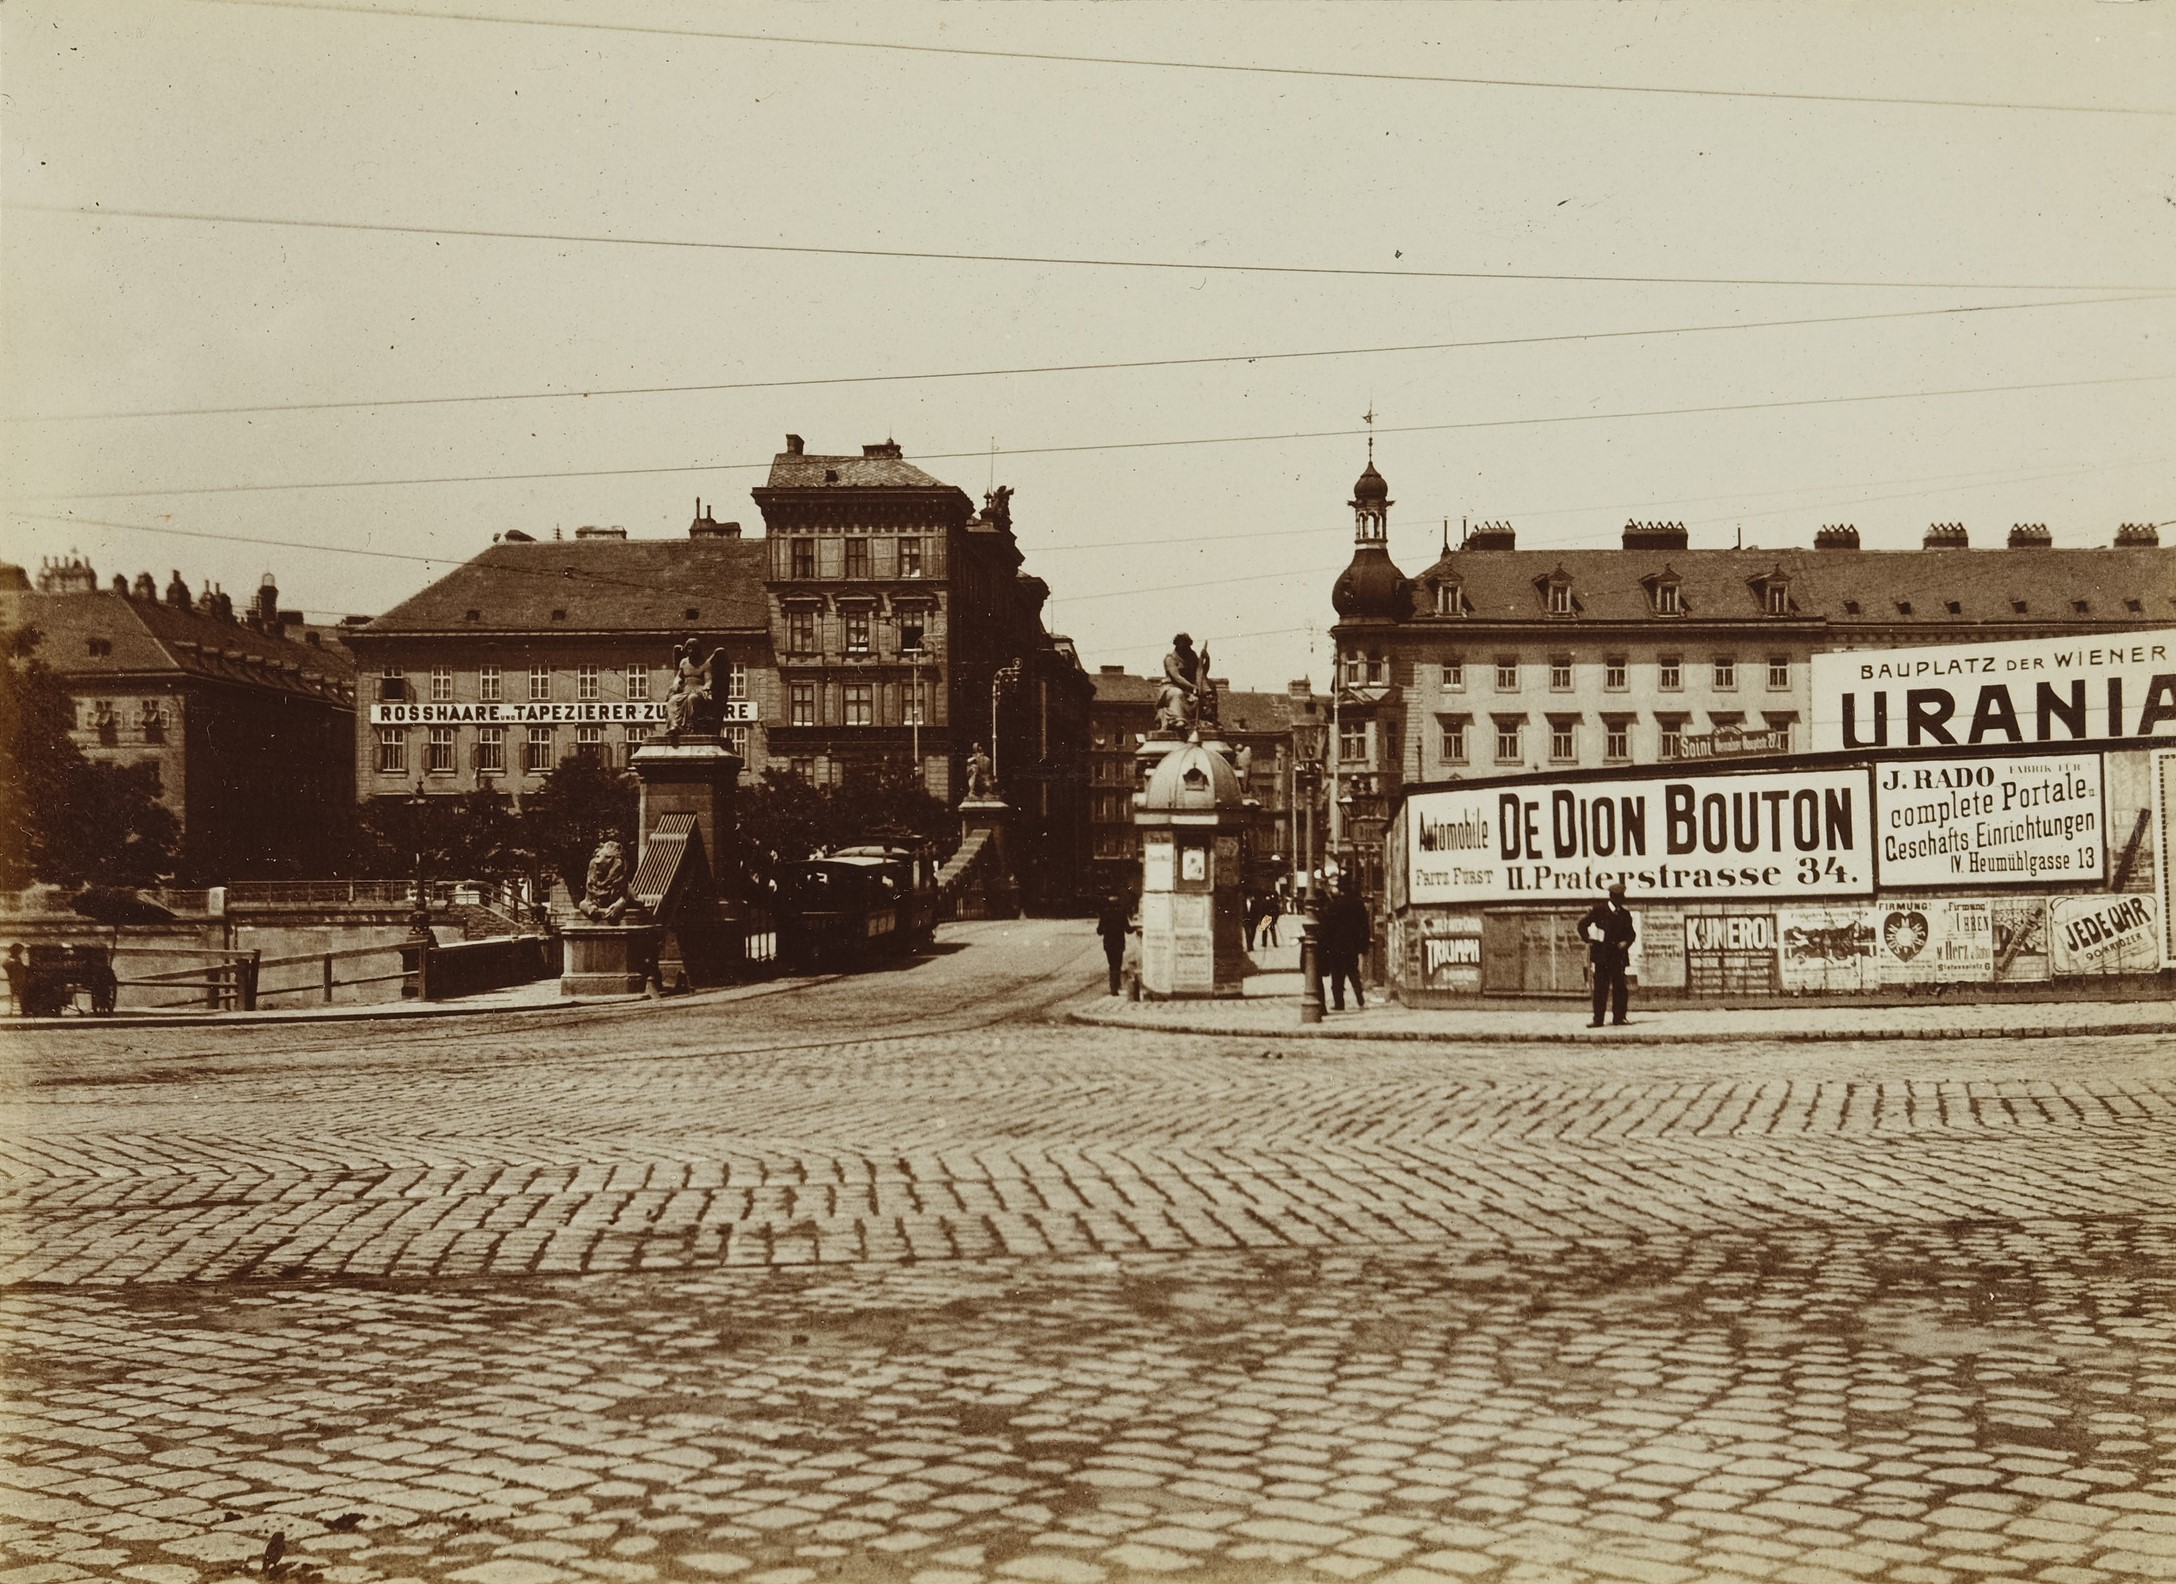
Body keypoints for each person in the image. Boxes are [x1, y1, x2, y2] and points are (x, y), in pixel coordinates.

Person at [1579, 881, 1638, 1027]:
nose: (1621, 899)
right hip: (1602, 957)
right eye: (1618, 896)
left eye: (1622, 896)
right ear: (1611, 897)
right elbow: (1582, 925)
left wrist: (1626, 942)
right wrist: (1588, 939)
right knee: (1600, 989)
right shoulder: (1599, 910)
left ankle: (1619, 1018)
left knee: (1620, 989)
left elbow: (1631, 934)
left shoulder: (1625, 914)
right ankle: (1598, 1019)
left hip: (1618, 957)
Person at [1318, 880, 1371, 1011]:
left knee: (1337, 976)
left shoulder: (1334, 905)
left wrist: (1325, 945)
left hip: (1336, 946)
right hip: (1352, 945)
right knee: (1353, 972)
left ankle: (1339, 1003)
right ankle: (1360, 998)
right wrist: (1364, 945)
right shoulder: (1359, 904)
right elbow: (1364, 926)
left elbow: (1328, 928)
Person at [1095, 894, 1131, 995]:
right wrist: (1136, 928)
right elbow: (1128, 929)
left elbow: (1099, 931)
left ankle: (1113, 988)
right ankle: (1116, 986)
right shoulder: (1122, 913)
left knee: (1112, 965)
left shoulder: (1105, 913)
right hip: (1119, 942)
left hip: (1108, 943)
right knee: (1118, 964)